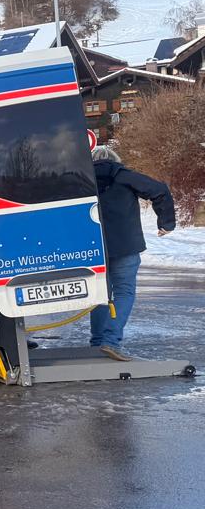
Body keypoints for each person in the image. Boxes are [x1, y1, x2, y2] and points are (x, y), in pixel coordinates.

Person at [89, 144, 175, 360]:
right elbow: (160, 190)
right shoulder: (124, 175)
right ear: (115, 159)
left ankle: (97, 342)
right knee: (124, 292)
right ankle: (110, 341)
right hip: (126, 245)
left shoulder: (82, 179)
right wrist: (166, 222)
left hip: (93, 247)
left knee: (99, 294)